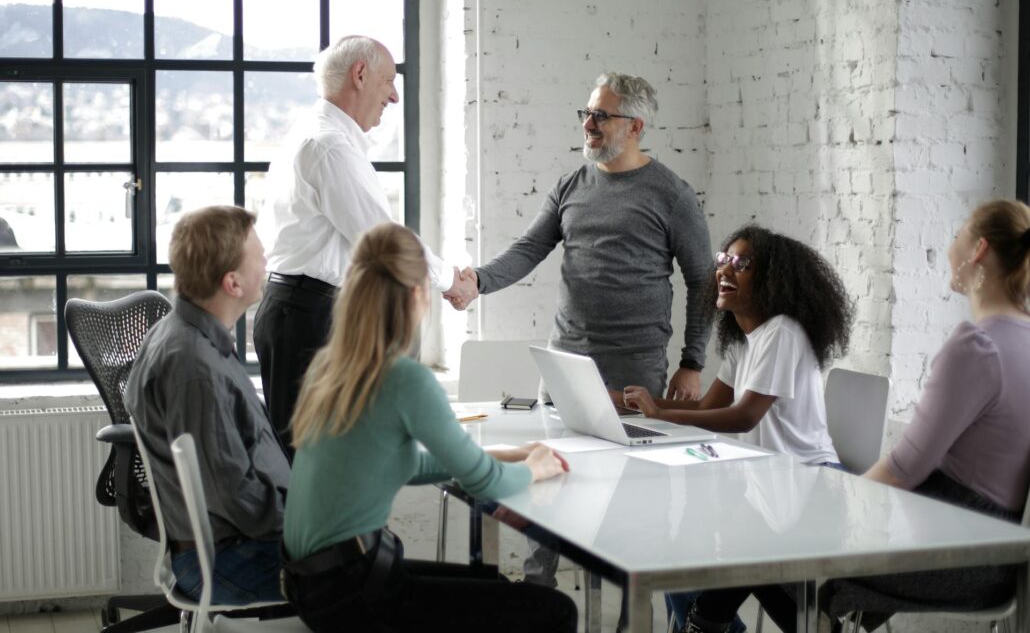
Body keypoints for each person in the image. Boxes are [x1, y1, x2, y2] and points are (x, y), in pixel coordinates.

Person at [456, 72, 714, 588]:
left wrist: (692, 361)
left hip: (634, 366)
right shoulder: (572, 184)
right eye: (587, 113)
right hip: (566, 362)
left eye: (602, 115)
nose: (588, 124)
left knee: (629, 501)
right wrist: (478, 282)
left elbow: (703, 279)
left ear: (636, 125)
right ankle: (538, 600)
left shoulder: (672, 195)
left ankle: (628, 610)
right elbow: (530, 248)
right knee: (548, 482)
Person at [279, 222, 577, 633]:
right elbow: (486, 483)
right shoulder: (403, 379)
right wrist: (537, 468)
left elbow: (400, 464)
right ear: (419, 295)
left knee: (491, 585)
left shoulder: (329, 366)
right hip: (353, 593)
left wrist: (509, 454)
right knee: (555, 610)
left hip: (312, 584)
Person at [620, 225, 853, 633]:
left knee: (727, 580)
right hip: (769, 485)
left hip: (810, 487)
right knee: (684, 568)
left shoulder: (783, 333)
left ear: (772, 278)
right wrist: (628, 404)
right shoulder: (745, 342)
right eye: (723, 260)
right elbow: (711, 406)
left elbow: (743, 417)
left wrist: (659, 414)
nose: (725, 270)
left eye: (742, 263)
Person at [813, 199, 1030, 633]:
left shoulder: (977, 347)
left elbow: (902, 469)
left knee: (787, 559)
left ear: (979, 250)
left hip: (951, 554)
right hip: (996, 557)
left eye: (958, 235)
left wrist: (829, 517)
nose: (951, 247)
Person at [254, 35, 476, 452]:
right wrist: (450, 281)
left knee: (321, 456)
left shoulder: (316, 133)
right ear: (359, 75)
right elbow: (382, 240)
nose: (393, 96)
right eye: (388, 81)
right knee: (312, 463)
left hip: (304, 311)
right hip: (307, 318)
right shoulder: (329, 146)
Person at [126, 205, 289, 605]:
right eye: (259, 253)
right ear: (232, 283)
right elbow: (236, 497)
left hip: (239, 543)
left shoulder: (189, 334)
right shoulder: (194, 367)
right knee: (373, 582)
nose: (267, 258)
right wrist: (308, 522)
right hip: (229, 558)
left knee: (377, 560)